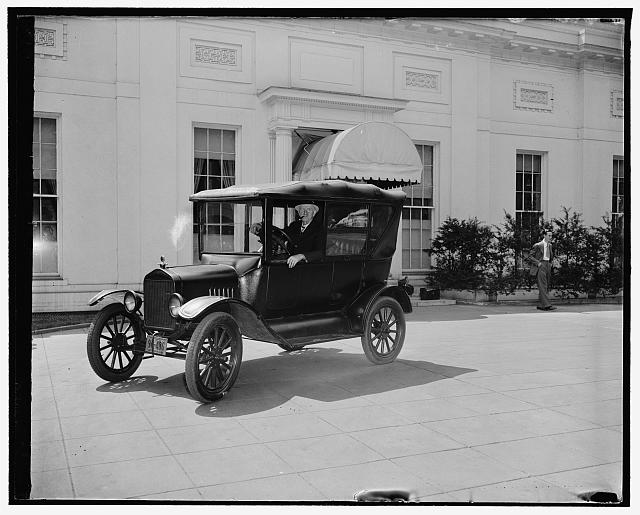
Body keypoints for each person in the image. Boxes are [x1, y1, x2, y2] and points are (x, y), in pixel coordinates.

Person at [250, 203, 323, 268]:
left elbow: (322, 252)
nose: (305, 212)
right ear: (299, 213)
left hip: (309, 268)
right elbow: (280, 233)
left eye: (309, 210)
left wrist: (301, 256)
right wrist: (261, 226)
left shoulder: (320, 229)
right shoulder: (294, 225)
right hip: (289, 264)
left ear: (314, 213)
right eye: (302, 210)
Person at [526, 230, 557, 311]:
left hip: (547, 265)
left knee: (546, 285)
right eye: (549, 235)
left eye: (551, 236)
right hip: (541, 265)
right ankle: (547, 305)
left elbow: (550, 257)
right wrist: (538, 263)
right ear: (545, 236)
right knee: (543, 285)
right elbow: (530, 256)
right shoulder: (538, 245)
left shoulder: (550, 245)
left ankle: (541, 305)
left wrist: (550, 264)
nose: (551, 237)